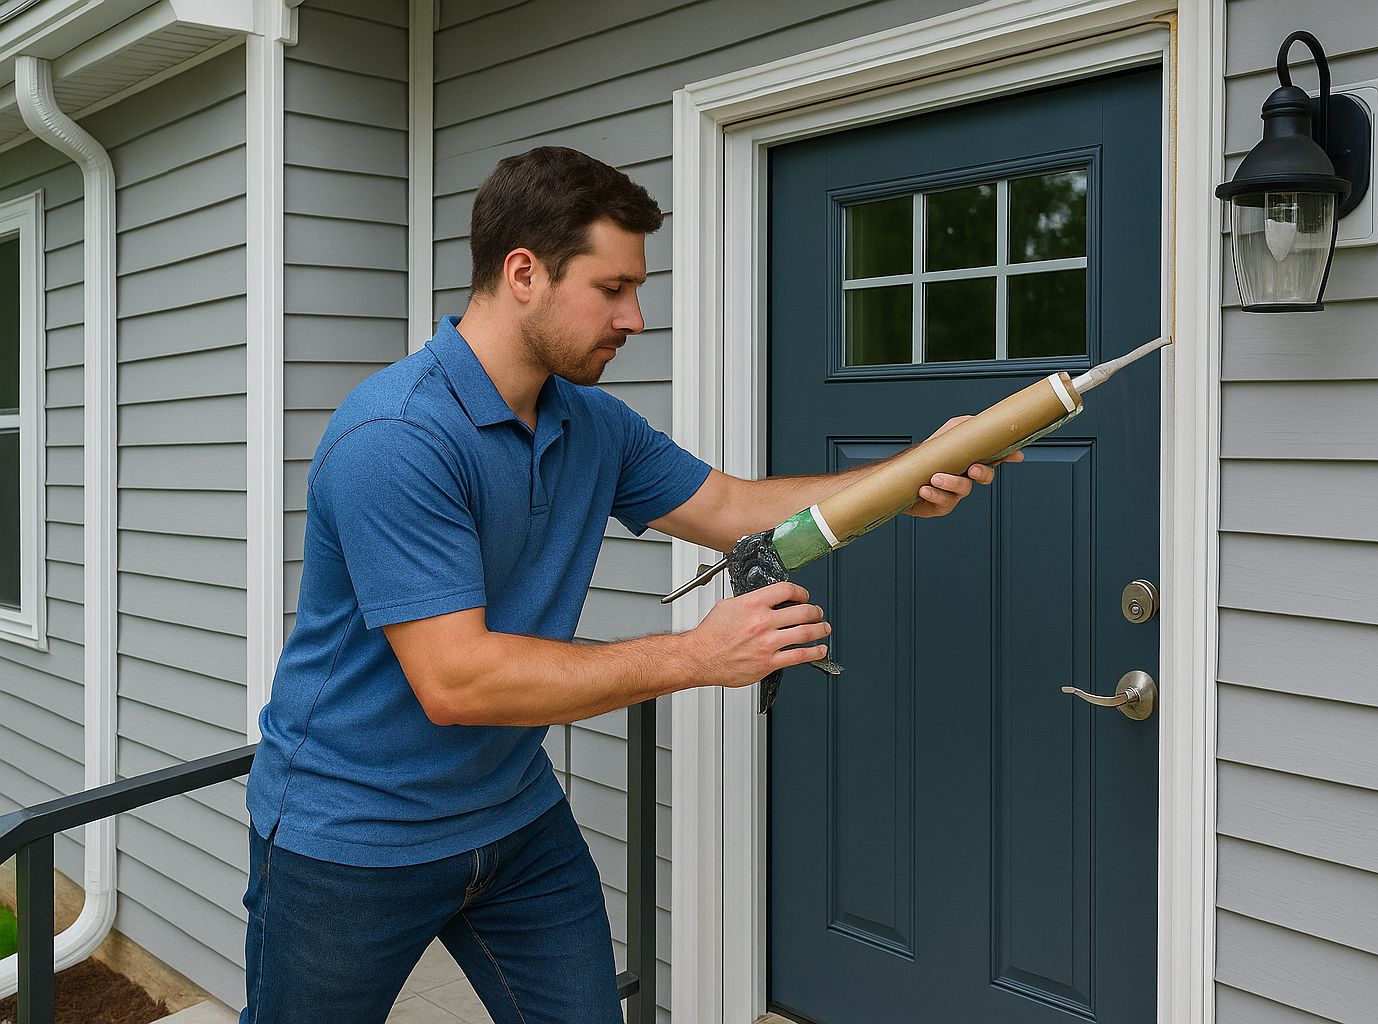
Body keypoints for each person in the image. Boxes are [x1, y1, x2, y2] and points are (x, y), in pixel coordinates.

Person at [240, 146, 1014, 1023]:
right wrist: (696, 654)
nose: (636, 318)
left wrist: (910, 475)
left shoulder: (591, 422)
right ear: (523, 272)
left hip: (510, 816)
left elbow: (730, 505)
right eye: (612, 290)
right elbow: (457, 680)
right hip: (352, 839)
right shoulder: (397, 437)